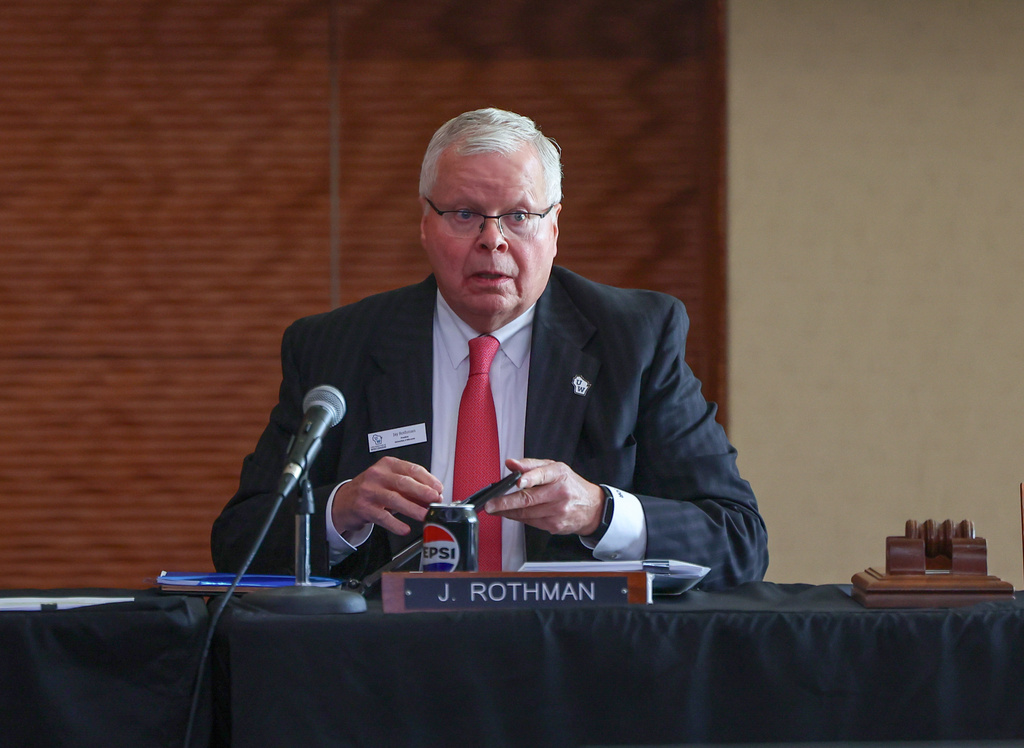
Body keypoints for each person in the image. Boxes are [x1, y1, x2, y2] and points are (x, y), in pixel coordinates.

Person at [211, 108, 768, 590]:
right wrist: (338, 513)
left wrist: (601, 512)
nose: (493, 239)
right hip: (390, 660)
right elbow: (239, 545)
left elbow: (739, 542)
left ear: (553, 230)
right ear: (426, 225)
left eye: (519, 216)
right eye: (464, 214)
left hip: (574, 661)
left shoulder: (636, 338)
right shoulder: (337, 347)